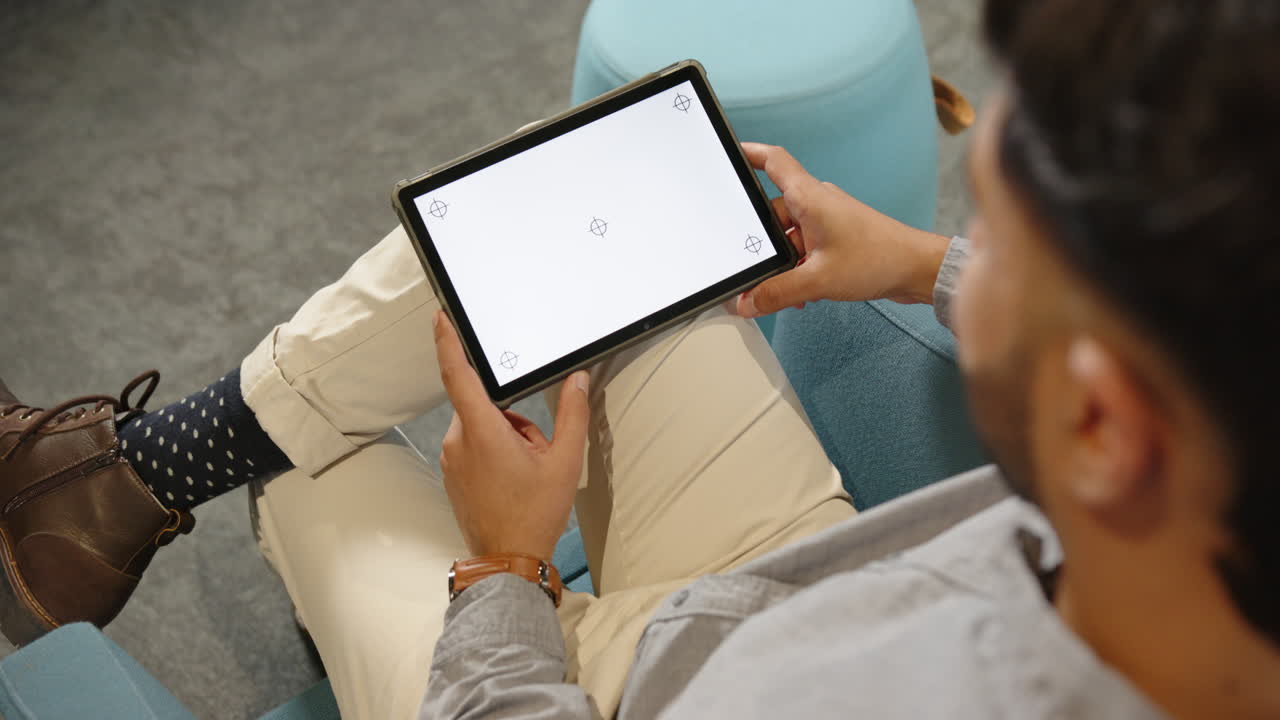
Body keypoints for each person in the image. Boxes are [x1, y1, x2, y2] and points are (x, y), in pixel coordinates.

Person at [2, 0, 1277, 717]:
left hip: (600, 696)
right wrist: (908, 261)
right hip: (798, 573)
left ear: (1101, 424)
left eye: (996, 229)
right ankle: (116, 481)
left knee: (316, 470)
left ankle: (125, 489)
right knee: (598, 209)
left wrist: (505, 570)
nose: (968, 245)